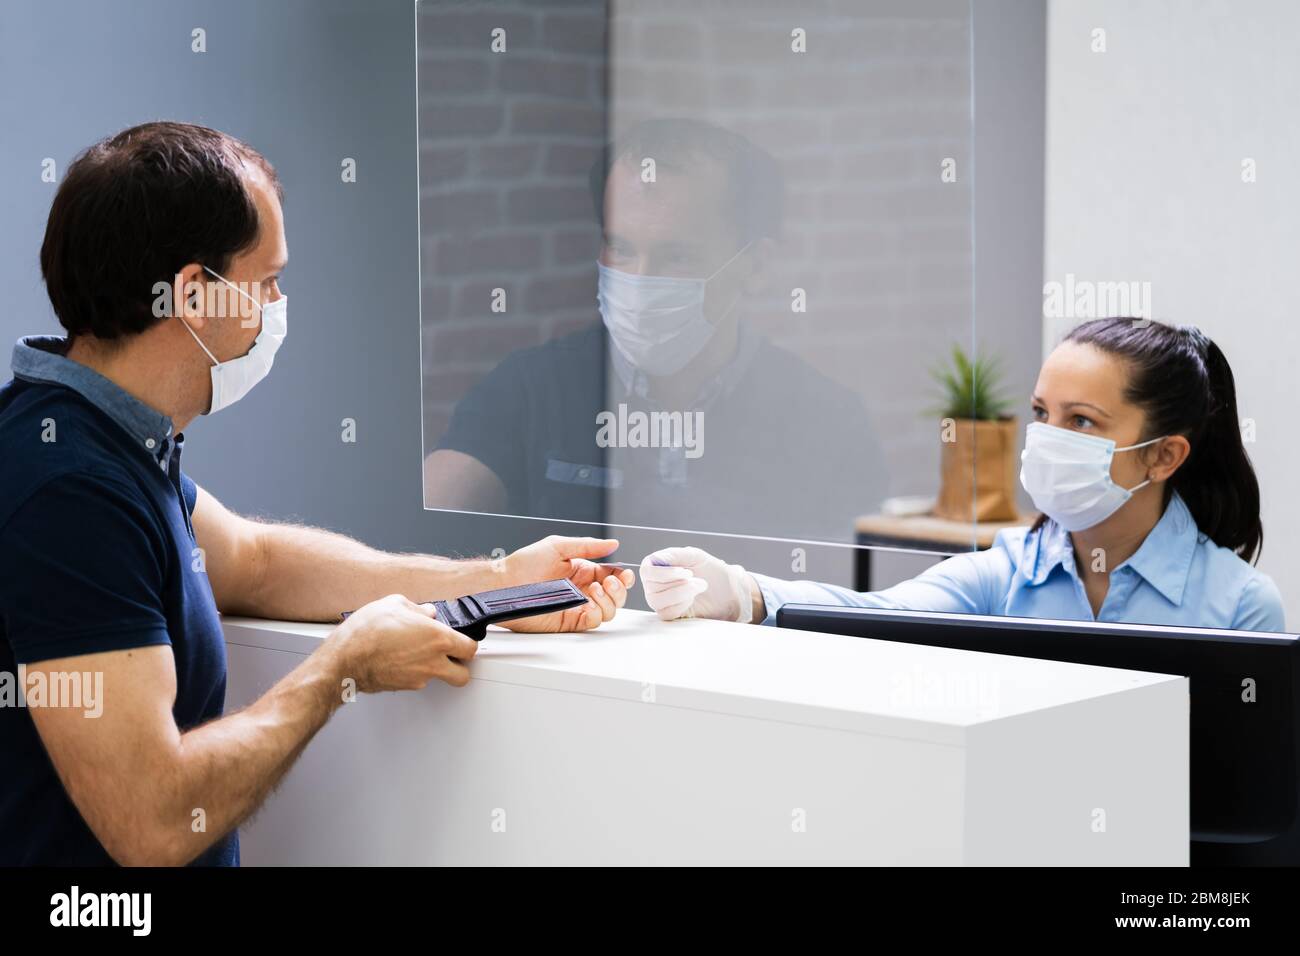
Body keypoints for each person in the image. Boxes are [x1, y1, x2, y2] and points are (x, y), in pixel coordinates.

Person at [0, 122, 635, 866]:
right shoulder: (68, 487)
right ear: (195, 294)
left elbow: (257, 561)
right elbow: (153, 820)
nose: (278, 306)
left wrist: (498, 582)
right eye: (267, 282)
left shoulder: (104, 435)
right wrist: (339, 670)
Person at [641, 317, 1285, 632]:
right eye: (1041, 413)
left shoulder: (1238, 607)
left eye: (1082, 421)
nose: (1049, 439)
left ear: (1164, 455)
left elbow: (1241, 806)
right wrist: (741, 593)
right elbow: (882, 614)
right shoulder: (1007, 573)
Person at [423, 117, 887, 543]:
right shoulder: (528, 389)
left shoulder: (827, 418)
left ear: (756, 265)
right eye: (620, 248)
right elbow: (422, 532)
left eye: (677, 256)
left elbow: (854, 598)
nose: (641, 281)